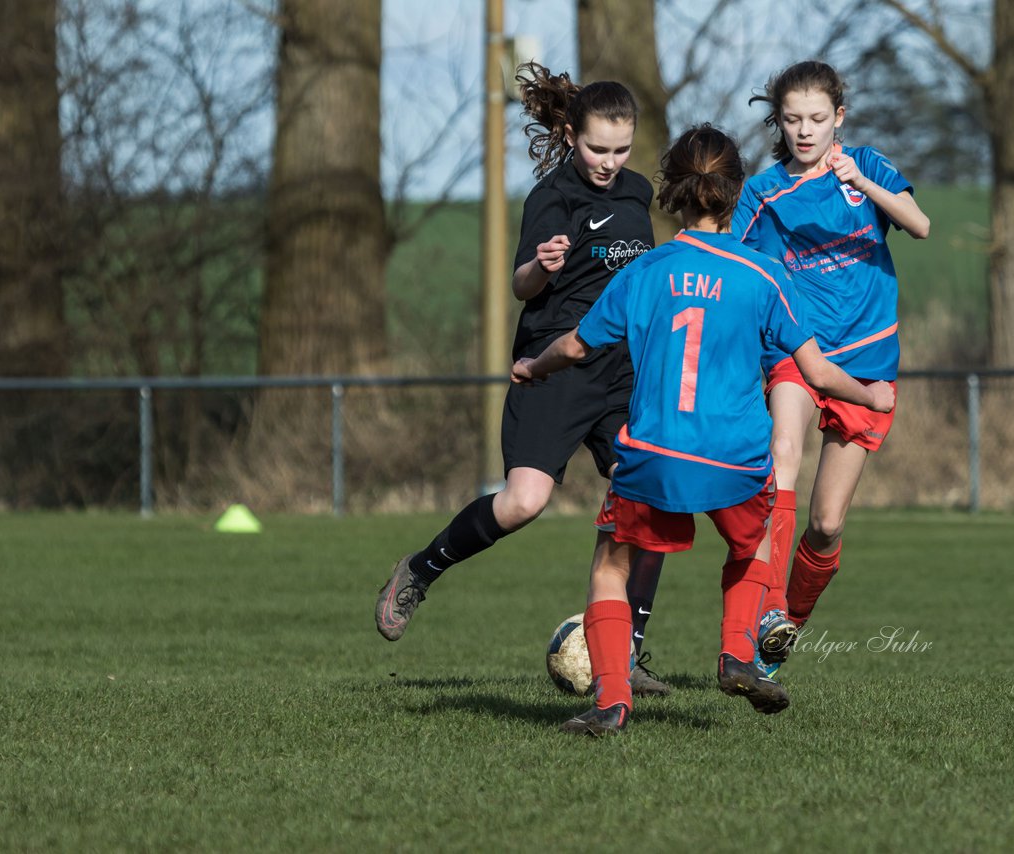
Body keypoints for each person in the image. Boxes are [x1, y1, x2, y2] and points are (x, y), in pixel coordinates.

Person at [512, 124, 895, 736]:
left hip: (655, 455)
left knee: (612, 566)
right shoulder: (765, 275)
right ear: (735, 191)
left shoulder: (644, 272)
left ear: (672, 191)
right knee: (753, 547)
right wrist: (870, 392)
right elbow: (818, 371)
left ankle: (611, 701)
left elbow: (578, 346)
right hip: (736, 460)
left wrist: (534, 365)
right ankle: (737, 656)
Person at [375, 63, 671, 695]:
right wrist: (540, 264)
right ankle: (420, 570)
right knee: (523, 503)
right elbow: (521, 287)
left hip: (621, 370)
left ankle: (626, 650)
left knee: (651, 496)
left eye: (621, 149)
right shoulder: (552, 197)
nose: (609, 162)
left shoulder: (636, 192)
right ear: (570, 136)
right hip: (555, 363)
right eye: (597, 147)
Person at [733, 61, 930, 673]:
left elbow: (920, 226)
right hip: (798, 354)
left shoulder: (867, 167)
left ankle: (784, 628)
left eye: (817, 119)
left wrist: (860, 182)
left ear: (838, 118)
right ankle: (760, 611)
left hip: (868, 363)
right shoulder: (763, 192)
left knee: (825, 524)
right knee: (782, 461)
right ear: (779, 123)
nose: (805, 130)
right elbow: (733, 264)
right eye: (792, 120)